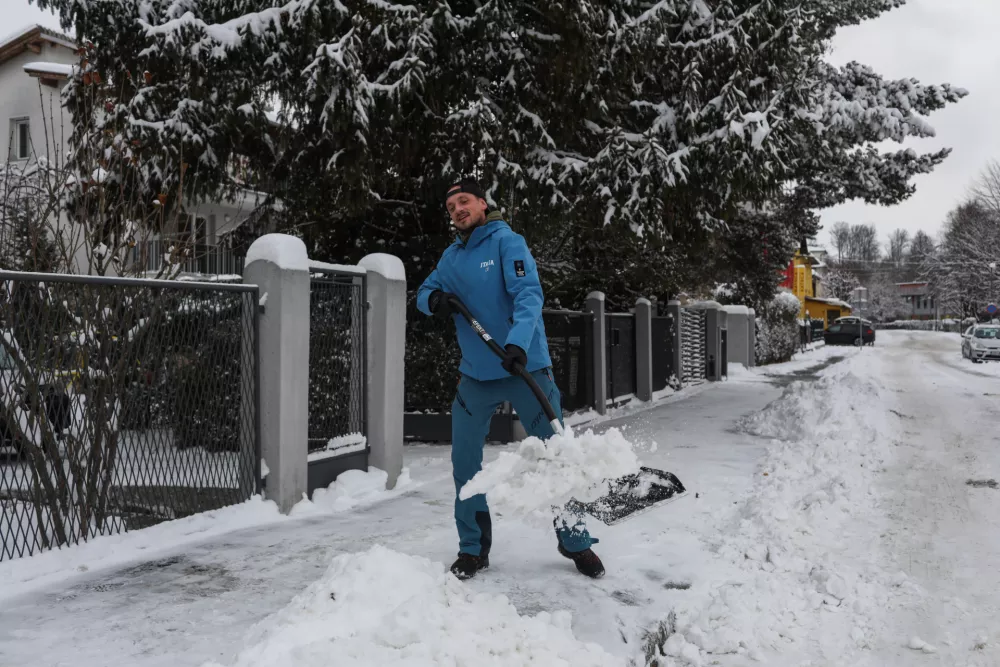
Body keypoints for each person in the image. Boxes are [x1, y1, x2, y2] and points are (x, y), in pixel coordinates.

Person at [417, 177, 605, 581]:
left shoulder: (508, 242)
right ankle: (473, 548)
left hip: (524, 368)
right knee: (465, 463)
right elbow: (424, 292)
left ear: (483, 203)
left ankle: (574, 540)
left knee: (557, 455)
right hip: (475, 377)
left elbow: (528, 295)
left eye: (464, 201)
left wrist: (519, 343)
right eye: (451, 208)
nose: (458, 210)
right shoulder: (450, 258)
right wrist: (435, 300)